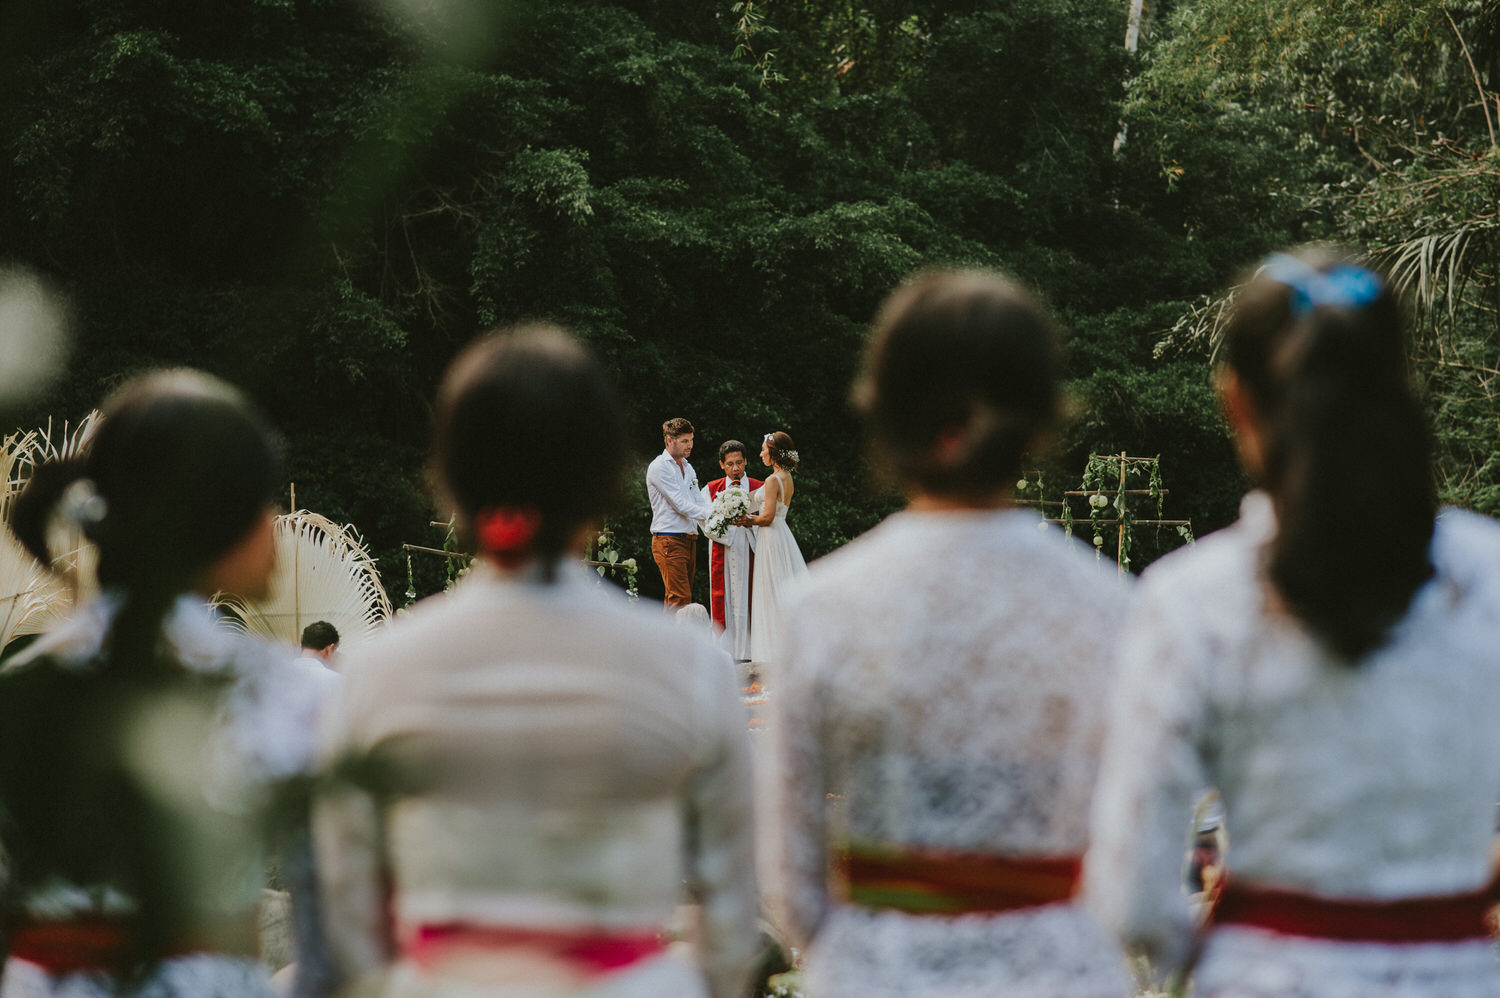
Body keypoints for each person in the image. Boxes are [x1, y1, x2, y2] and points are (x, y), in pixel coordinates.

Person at [1087, 249, 1500, 998]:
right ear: (1400, 387)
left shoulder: (1188, 600)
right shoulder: (1491, 575)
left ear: (1235, 400)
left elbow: (1132, 898)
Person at [317, 325, 759, 998]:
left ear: (451, 480)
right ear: (602, 479)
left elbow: (347, 918)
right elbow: (731, 920)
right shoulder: (689, 664)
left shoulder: (375, 671)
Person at [763, 271, 1133, 998]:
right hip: (1059, 969)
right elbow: (1140, 869)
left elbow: (791, 882)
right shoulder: (1111, 605)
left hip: (879, 969)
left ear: (883, 412)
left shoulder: (821, 607)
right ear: (1039, 419)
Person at [0, 370, 325, 997]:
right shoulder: (277, 693)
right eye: (264, 503)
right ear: (218, 516)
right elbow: (338, 928)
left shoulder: (19, 684)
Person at [745, 432, 808, 670]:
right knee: (779, 587)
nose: (760, 453)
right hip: (782, 535)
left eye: (763, 449)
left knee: (771, 591)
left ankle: (773, 653)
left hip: (771, 538)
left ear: (773, 453)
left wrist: (745, 520)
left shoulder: (773, 480)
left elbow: (768, 517)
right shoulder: (787, 477)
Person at [701, 440, 762, 663]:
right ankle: (725, 650)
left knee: (751, 593)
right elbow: (704, 520)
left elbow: (768, 518)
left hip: (750, 546)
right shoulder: (710, 489)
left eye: (739, 462)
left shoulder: (759, 486)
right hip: (723, 548)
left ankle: (750, 649)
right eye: (730, 464)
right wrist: (725, 534)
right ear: (721, 464)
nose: (735, 468)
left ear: (746, 461)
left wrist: (749, 524)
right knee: (723, 594)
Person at [645, 417, 710, 609]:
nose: (690, 445)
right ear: (669, 440)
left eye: (691, 440)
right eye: (684, 441)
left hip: (689, 538)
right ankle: (671, 640)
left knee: (681, 600)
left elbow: (698, 500)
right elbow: (680, 505)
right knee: (680, 599)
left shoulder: (688, 467)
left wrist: (718, 517)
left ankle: (668, 639)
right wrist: (714, 516)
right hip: (669, 538)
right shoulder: (659, 466)